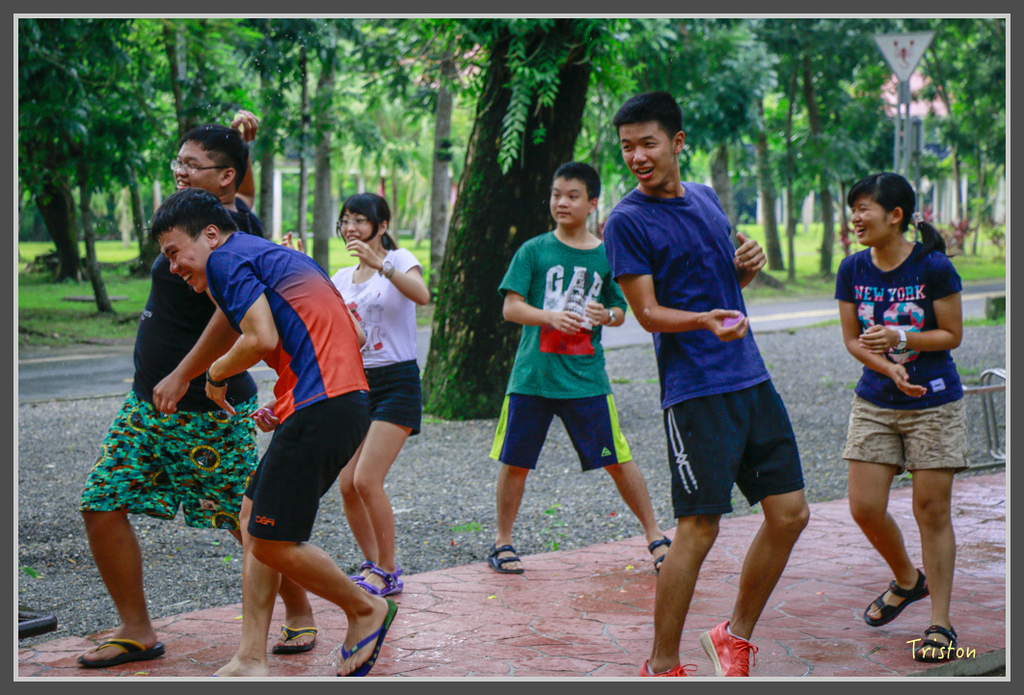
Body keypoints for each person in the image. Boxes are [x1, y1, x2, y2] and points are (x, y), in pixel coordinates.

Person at [76, 111, 318, 667]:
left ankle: (301, 611)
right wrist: (238, 141)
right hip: (146, 405)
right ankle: (137, 629)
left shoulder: (230, 243)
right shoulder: (199, 219)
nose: (180, 172)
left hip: (207, 410)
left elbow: (234, 320)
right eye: (178, 162)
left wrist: (184, 373)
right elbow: (235, 185)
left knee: (252, 523)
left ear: (225, 176)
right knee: (100, 501)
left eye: (192, 165)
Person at [601, 92, 809, 678]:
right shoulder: (626, 221)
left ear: (677, 142)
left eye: (648, 143)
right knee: (698, 528)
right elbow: (647, 313)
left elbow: (725, 282)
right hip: (694, 390)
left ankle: (733, 635)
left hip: (751, 376)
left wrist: (746, 268)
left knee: (791, 514)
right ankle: (662, 665)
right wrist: (702, 321)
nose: (637, 157)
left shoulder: (707, 199)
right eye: (627, 147)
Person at [150, 187, 396, 678]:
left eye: (175, 252)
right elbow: (349, 334)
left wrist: (214, 374)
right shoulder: (267, 256)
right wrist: (284, 401)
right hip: (335, 403)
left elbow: (261, 337)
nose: (173, 267)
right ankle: (250, 656)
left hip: (324, 405)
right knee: (251, 521)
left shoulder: (226, 260)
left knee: (269, 540)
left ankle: (366, 607)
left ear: (211, 235)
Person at [487, 161, 670, 576]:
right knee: (515, 462)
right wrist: (550, 317)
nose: (562, 203)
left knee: (617, 459)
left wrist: (607, 315)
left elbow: (621, 310)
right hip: (532, 377)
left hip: (586, 379)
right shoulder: (533, 250)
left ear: (592, 203)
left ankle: (656, 536)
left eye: (572, 196)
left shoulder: (608, 254)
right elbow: (511, 307)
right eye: (557, 195)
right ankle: (502, 542)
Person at [836, 172, 966, 663]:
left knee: (931, 511)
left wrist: (901, 338)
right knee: (864, 507)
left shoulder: (933, 266)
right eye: (853, 209)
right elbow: (852, 340)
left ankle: (940, 623)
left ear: (895, 216)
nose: (855, 218)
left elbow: (952, 334)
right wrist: (887, 367)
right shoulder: (852, 268)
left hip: (934, 403)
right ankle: (908, 580)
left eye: (863, 208)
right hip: (875, 401)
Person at [329, 194, 430, 596]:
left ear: (382, 226)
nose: (350, 228)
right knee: (347, 484)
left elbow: (422, 295)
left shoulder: (400, 259)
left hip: (397, 383)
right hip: (357, 383)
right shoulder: (340, 278)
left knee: (367, 479)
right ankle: (374, 564)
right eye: (345, 220)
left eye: (359, 220)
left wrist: (381, 265)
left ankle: (388, 568)